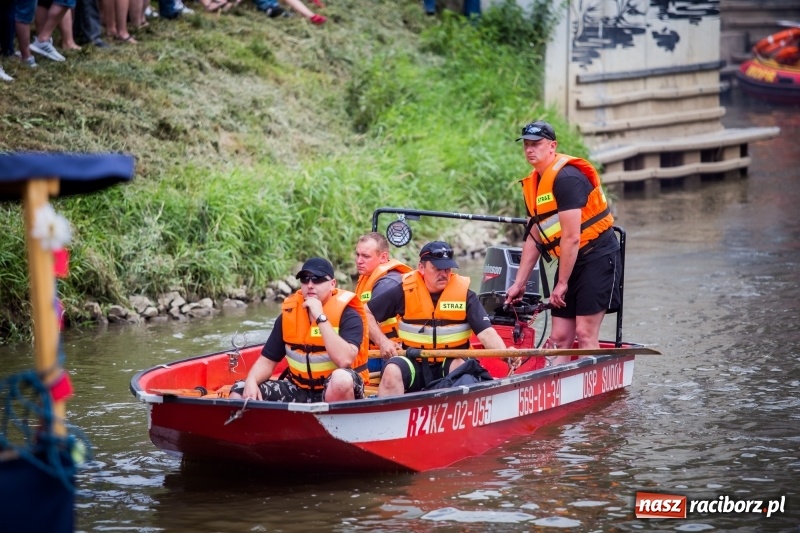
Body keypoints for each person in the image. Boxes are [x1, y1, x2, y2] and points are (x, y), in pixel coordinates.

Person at [504, 120, 620, 362]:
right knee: (558, 337)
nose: (530, 149)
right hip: (570, 260)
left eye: (536, 144)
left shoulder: (567, 178)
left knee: (585, 333)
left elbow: (572, 236)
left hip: (597, 256)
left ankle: (591, 382)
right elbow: (534, 236)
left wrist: (562, 283)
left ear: (552, 146)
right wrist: (519, 283)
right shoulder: (533, 183)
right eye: (526, 144)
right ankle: (555, 383)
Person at [365, 241, 509, 397]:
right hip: (414, 361)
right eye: (437, 268)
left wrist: (507, 355)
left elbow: (487, 333)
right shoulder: (403, 291)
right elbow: (366, 312)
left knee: (460, 366)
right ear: (421, 268)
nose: (443, 274)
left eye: (447, 269)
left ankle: (454, 409)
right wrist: (383, 342)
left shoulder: (466, 296)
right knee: (391, 371)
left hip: (450, 361)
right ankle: (391, 411)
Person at [229, 257, 369, 403]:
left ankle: (336, 418)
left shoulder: (349, 315)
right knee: (239, 391)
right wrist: (251, 380)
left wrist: (320, 317)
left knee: (341, 380)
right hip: (298, 388)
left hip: (337, 389)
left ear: (332, 284)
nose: (310, 285)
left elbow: (345, 360)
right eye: (305, 279)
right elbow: (267, 361)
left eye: (317, 279)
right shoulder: (288, 316)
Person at [353, 232, 412, 370]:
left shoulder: (389, 282)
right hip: (372, 350)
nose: (359, 260)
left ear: (383, 257)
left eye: (366, 256)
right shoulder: (366, 276)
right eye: (358, 255)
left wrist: (383, 342)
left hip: (394, 350)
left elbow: (365, 315)